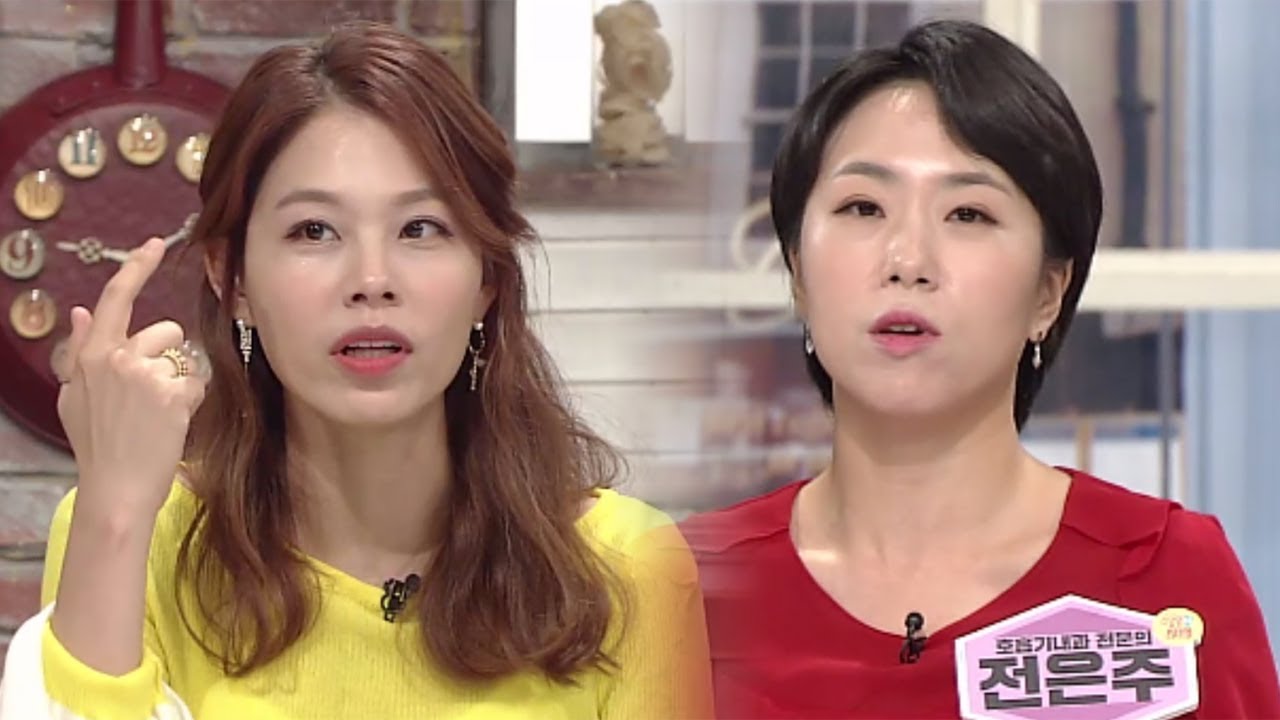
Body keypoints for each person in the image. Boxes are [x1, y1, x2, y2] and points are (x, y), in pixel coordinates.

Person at [0, 21, 711, 720]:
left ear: (487, 280)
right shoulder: (132, 529)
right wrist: (116, 513)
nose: (372, 280)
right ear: (232, 279)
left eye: (420, 229)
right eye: (314, 231)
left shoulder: (627, 566)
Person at [682, 19, 1280, 719]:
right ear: (799, 275)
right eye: (862, 207)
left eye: (967, 214)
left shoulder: (1166, 577)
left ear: (1048, 293)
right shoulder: (678, 588)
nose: (908, 260)